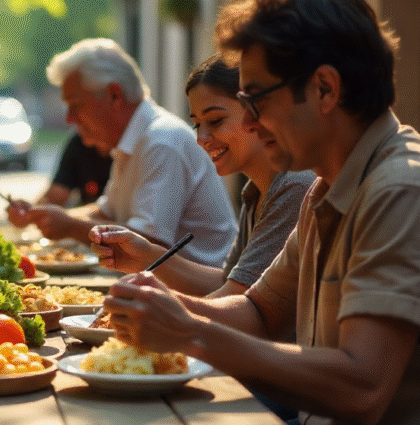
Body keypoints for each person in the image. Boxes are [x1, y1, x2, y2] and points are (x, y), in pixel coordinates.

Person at [103, 0, 420, 425]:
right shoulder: (327, 189)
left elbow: (363, 388)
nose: (247, 121)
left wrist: (188, 333)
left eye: (256, 99)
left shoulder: (404, 191)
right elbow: (256, 312)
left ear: (324, 88)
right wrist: (157, 305)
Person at [90, 55, 315, 297]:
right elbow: (227, 282)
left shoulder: (293, 186)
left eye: (216, 121)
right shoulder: (254, 192)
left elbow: (240, 302)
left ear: (257, 111)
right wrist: (148, 256)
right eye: (197, 125)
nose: (201, 139)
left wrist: (164, 307)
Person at [7, 38, 237, 267]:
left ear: (114, 95)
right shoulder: (135, 139)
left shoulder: (162, 141)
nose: (69, 118)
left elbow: (148, 245)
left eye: (76, 105)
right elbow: (106, 213)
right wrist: (45, 215)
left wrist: (69, 224)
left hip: (205, 294)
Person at [39, 132, 113, 207]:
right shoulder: (79, 142)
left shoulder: (123, 150)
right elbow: (56, 195)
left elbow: (108, 212)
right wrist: (34, 211)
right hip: (91, 212)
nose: (70, 121)